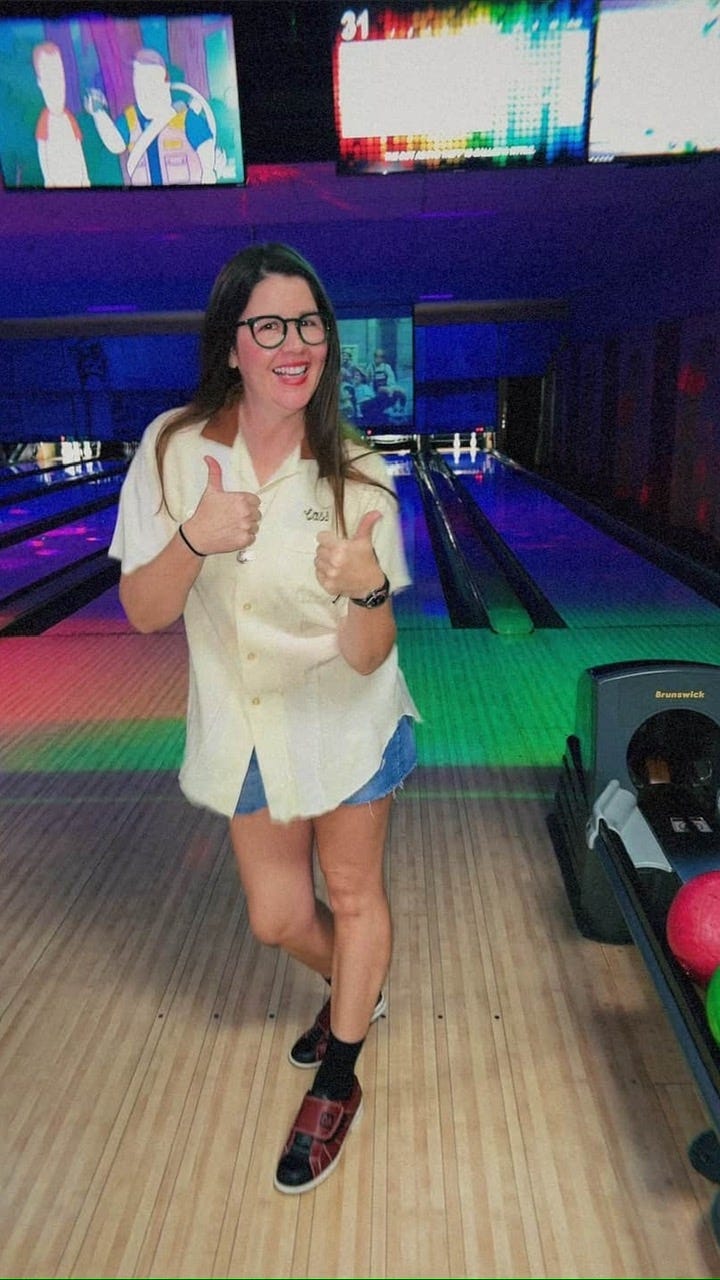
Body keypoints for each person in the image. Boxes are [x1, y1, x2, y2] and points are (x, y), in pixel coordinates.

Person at [108, 242, 420, 1194]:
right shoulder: (173, 447)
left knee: (355, 896)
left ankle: (340, 1072)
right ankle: (356, 981)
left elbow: (373, 657)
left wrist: (368, 593)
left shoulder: (357, 471)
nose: (296, 343)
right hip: (247, 724)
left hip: (349, 718)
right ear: (234, 345)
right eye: (270, 326)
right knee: (278, 916)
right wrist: (197, 538)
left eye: (310, 324)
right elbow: (145, 611)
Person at [85, 47, 217, 185]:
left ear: (164, 84)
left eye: (148, 80)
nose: (142, 89)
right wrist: (98, 113)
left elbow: (205, 145)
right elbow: (115, 144)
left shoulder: (185, 118)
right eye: (138, 81)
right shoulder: (130, 118)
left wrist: (208, 173)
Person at [33, 41, 90, 188]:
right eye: (49, 79)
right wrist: (48, 178)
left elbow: (79, 150)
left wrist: (85, 177)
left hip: (77, 181)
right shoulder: (44, 120)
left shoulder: (69, 118)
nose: (57, 86)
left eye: (59, 77)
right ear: (40, 83)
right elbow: (42, 151)